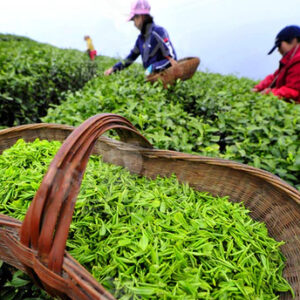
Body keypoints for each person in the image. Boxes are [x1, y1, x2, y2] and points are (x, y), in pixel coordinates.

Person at [104, 0, 177, 76]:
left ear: (142, 16)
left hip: (166, 78)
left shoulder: (158, 32)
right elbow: (131, 58)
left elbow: (173, 59)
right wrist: (114, 68)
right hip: (151, 80)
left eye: (134, 19)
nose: (134, 24)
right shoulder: (141, 39)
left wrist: (153, 67)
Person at [253, 25, 300, 103]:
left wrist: (269, 93)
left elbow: (294, 91)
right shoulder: (290, 59)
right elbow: (275, 77)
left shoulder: (298, 60)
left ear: (294, 40)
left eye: (279, 46)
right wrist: (258, 88)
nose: (278, 50)